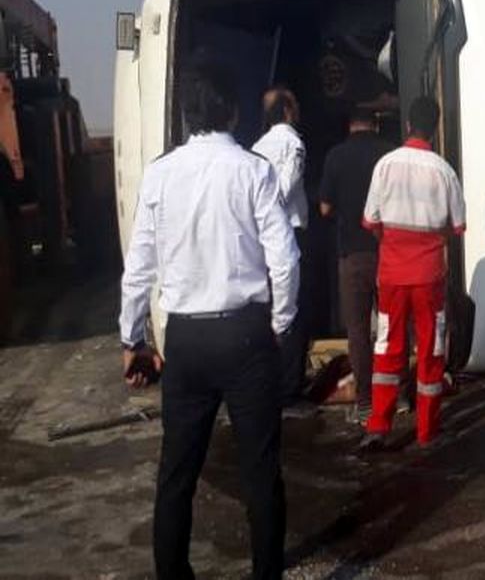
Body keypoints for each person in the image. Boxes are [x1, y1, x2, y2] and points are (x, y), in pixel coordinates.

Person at [119, 63, 298, 579]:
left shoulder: (160, 173)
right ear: (233, 112)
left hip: (187, 339)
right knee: (261, 469)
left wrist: (133, 339)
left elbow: (139, 268)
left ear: (185, 114)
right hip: (245, 333)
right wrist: (281, 326)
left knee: (177, 470)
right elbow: (284, 260)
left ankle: (173, 574)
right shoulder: (254, 170)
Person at [359, 96, 465, 451]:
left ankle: (378, 426)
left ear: (407, 126)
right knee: (431, 351)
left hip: (390, 277)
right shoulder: (444, 172)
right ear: (434, 129)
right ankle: (426, 431)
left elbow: (370, 221)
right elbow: (457, 227)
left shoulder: (384, 166)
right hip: (429, 278)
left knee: (388, 348)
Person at [317, 106, 393, 428]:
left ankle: (365, 402)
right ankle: (397, 394)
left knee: (359, 331)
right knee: (391, 327)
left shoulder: (336, 156)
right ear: (375, 124)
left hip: (353, 255)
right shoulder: (390, 154)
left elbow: (324, 208)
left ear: (350, 125)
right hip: (388, 252)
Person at [251, 86, 312, 414]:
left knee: (270, 309)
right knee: (293, 312)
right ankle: (290, 391)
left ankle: (271, 383)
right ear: (287, 110)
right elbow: (285, 190)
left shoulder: (256, 147)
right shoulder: (293, 143)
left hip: (262, 238)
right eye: (296, 104)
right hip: (289, 234)